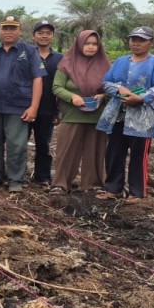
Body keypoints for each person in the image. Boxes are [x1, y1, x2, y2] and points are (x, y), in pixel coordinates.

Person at [96, 27, 154, 203]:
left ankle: (137, 192)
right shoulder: (121, 61)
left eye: (141, 40)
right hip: (118, 114)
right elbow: (106, 82)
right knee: (114, 152)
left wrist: (141, 98)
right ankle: (113, 189)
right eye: (133, 39)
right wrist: (119, 89)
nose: (136, 43)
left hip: (142, 117)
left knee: (138, 154)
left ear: (151, 43)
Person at [0, 16, 46, 193]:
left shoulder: (29, 51)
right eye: (5, 28)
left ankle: (15, 180)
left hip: (18, 107)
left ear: (19, 31)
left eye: (13, 28)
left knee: (17, 145)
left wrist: (34, 107)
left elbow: (38, 79)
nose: (8, 32)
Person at [50, 30, 110, 194]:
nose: (91, 47)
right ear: (79, 44)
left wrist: (103, 96)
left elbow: (113, 89)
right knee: (66, 150)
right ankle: (61, 184)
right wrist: (72, 97)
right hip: (72, 115)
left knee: (95, 152)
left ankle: (92, 184)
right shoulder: (67, 63)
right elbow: (57, 87)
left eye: (95, 44)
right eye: (87, 43)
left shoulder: (105, 66)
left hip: (96, 115)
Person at [29, 21, 62, 187]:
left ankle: (42, 177)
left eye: (48, 33)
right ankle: (17, 175)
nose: (44, 36)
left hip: (48, 109)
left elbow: (62, 85)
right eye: (40, 32)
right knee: (18, 143)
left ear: (53, 36)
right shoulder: (26, 55)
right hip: (25, 107)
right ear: (33, 36)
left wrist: (59, 110)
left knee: (43, 144)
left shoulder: (60, 59)